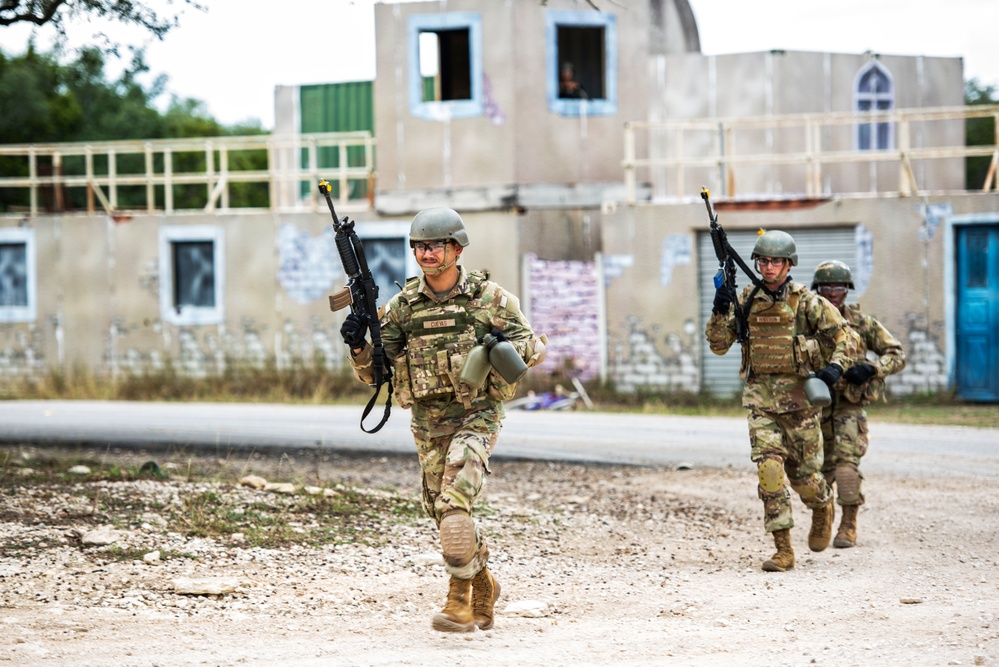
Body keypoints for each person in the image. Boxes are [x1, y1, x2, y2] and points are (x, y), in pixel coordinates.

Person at [340, 207, 547, 633]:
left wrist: (505, 348)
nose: (426, 253)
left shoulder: (490, 299)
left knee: (455, 503)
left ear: (456, 247)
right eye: (419, 245)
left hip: (477, 415)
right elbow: (374, 375)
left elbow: (532, 347)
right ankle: (484, 581)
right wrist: (360, 344)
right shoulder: (402, 309)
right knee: (442, 511)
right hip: (428, 422)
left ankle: (457, 601)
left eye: (435, 245)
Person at [705, 230, 859, 572]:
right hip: (761, 401)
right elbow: (718, 345)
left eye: (776, 261)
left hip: (801, 403)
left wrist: (835, 368)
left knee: (806, 480)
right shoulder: (746, 298)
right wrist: (719, 308)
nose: (769, 267)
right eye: (763, 260)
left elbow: (847, 336)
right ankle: (783, 549)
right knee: (769, 470)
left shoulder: (807, 302)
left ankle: (822, 506)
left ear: (789, 265)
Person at [811, 260, 906, 548]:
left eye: (838, 287)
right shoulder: (807, 321)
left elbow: (896, 354)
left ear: (847, 290)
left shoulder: (862, 324)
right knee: (818, 471)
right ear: (818, 289)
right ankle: (822, 518)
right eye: (826, 287)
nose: (832, 292)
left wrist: (872, 368)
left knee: (846, 467)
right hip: (815, 407)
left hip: (849, 405)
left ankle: (848, 524)